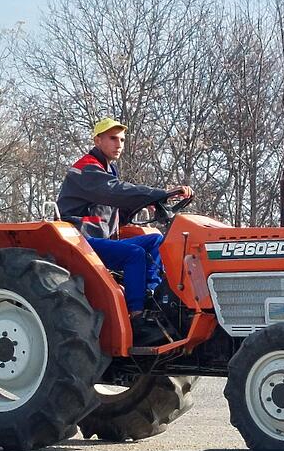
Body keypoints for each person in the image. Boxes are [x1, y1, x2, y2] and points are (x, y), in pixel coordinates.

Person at [56, 117, 192, 346]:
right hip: (82, 240)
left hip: (101, 239)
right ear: (98, 140)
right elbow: (114, 192)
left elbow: (114, 208)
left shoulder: (108, 169)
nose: (118, 144)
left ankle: (153, 300)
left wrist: (150, 204)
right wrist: (159, 194)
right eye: (113, 139)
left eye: (121, 140)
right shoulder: (86, 168)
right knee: (133, 254)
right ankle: (136, 314)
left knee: (155, 242)